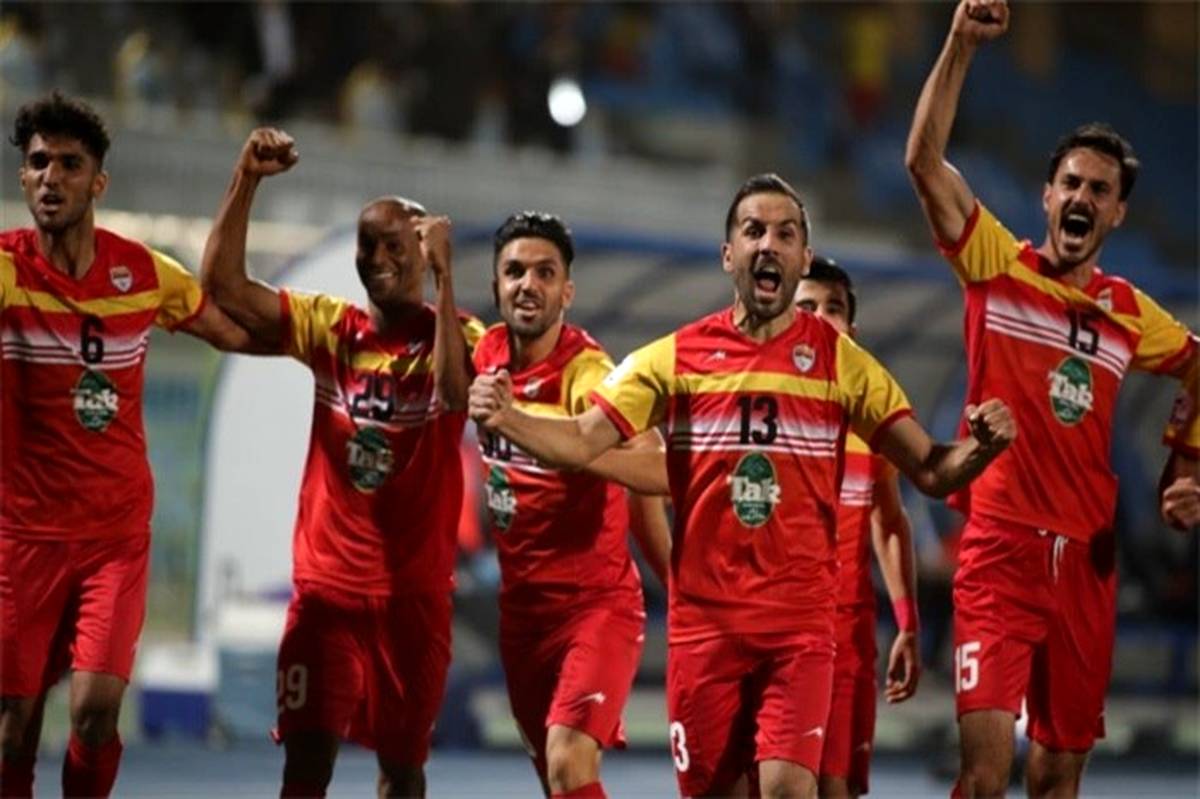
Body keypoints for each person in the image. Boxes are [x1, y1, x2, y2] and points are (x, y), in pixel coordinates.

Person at [470, 173, 1016, 799]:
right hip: (704, 632)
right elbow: (582, 440)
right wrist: (506, 417)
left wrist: (981, 448)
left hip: (800, 631)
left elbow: (931, 469)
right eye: (753, 231)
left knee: (788, 789)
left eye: (785, 234)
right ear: (729, 254)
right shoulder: (674, 358)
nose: (768, 245)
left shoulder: (844, 365)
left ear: (803, 258)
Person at [904, 1, 1199, 795]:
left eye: (1100, 189)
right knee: (984, 773)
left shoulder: (1129, 312)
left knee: (1058, 773)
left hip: (1088, 565)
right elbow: (924, 161)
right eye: (1070, 182)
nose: (1082, 196)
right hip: (1000, 550)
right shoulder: (996, 266)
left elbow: (1197, 368)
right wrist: (961, 44)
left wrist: (1185, 470)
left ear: (1117, 212)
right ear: (1046, 196)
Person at [199, 127, 483, 798]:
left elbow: (455, 395)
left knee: (402, 771)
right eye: (367, 245)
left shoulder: (459, 333)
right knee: (305, 766)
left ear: (424, 253)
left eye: (394, 246)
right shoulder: (332, 328)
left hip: (413, 600)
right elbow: (223, 285)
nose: (377, 258)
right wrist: (247, 179)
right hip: (325, 595)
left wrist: (447, 278)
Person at [0, 92, 263, 798]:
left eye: (69, 164)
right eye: (38, 163)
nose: (51, 177)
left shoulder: (144, 273)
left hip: (112, 539)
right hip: (21, 537)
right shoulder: (5, 270)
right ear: (22, 177)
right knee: (14, 723)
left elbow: (234, 330)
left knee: (93, 712)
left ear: (98, 183)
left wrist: (326, 350)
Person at [474, 211, 670, 798]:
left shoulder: (590, 375)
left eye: (545, 272)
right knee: (558, 781)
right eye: (514, 271)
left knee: (567, 760)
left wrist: (576, 453)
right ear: (496, 286)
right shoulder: (486, 352)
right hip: (522, 615)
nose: (527, 284)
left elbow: (660, 470)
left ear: (567, 292)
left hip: (595, 609)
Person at [795, 256, 921, 799]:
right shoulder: (752, 409)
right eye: (806, 308)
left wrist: (907, 622)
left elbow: (889, 521)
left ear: (852, 329)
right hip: (771, 631)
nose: (821, 319)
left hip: (846, 637)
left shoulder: (874, 421)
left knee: (835, 788)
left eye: (833, 308)